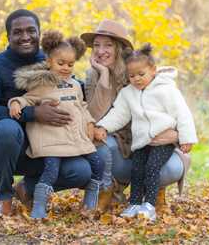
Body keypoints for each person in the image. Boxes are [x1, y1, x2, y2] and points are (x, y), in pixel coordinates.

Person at [0, 9, 93, 216]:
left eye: (31, 31)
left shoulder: (52, 61)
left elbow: (74, 89)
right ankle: (4, 196)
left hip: (45, 145)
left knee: (81, 171)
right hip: (3, 146)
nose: (25, 36)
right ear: (9, 36)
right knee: (8, 129)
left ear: (39, 33)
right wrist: (32, 113)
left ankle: (27, 188)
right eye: (18, 32)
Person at [80, 19, 191, 212]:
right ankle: (120, 196)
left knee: (161, 167)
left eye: (107, 45)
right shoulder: (95, 76)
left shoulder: (143, 73)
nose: (100, 50)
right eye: (96, 45)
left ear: (119, 48)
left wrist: (180, 136)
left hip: (158, 140)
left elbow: (180, 112)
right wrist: (104, 77)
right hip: (127, 143)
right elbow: (101, 115)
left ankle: (155, 195)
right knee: (111, 150)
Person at [8, 30, 104, 218]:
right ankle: (38, 207)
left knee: (98, 164)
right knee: (51, 171)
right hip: (52, 140)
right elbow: (27, 99)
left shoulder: (75, 85)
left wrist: (91, 123)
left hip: (75, 138)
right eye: (61, 63)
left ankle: (90, 203)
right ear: (50, 61)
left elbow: (82, 106)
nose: (66, 68)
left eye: (70, 64)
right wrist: (16, 103)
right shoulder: (42, 84)